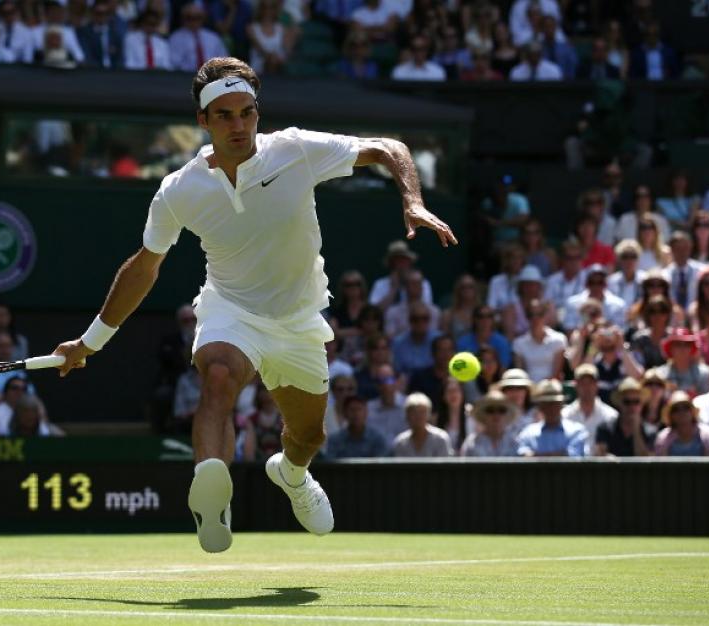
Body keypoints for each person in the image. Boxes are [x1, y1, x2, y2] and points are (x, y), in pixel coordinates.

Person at [50, 56, 455, 553]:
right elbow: (143, 268)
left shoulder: (296, 150)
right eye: (224, 115)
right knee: (217, 375)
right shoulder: (179, 190)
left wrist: (411, 200)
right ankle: (211, 498)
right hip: (231, 309)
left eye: (247, 112)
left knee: (307, 436)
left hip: (300, 319)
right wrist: (90, 342)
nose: (238, 124)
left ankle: (292, 474)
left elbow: (389, 147)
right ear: (203, 121)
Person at [517, 379, 589, 457]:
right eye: (546, 404)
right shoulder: (528, 433)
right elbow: (523, 455)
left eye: (554, 403)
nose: (550, 408)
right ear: (540, 407)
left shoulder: (576, 431)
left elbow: (573, 457)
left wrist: (536, 457)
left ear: (561, 404)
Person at [562, 363, 619, 447]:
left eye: (590, 383)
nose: (587, 387)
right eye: (582, 383)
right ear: (576, 386)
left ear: (597, 385)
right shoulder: (564, 415)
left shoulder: (611, 416)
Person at [594, 377, 654, 457]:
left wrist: (636, 430)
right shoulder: (605, 428)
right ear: (619, 403)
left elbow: (646, 462)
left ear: (642, 404)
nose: (632, 406)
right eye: (627, 402)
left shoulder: (650, 432)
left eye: (636, 402)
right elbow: (600, 456)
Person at [512, 298, 566, 384]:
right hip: (528, 389)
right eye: (531, 315)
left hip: (551, 389)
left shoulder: (558, 340)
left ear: (545, 315)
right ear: (527, 317)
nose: (535, 318)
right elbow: (521, 373)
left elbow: (556, 374)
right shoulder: (519, 343)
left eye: (539, 314)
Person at [369, 240, 431, 311]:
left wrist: (410, 285)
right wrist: (394, 289)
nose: (401, 265)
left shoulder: (423, 283)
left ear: (409, 262)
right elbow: (373, 313)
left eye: (404, 260)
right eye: (397, 261)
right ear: (391, 264)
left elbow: (425, 311)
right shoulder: (380, 284)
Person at [562, 265, 626, 333]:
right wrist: (585, 328)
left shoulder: (618, 304)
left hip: (608, 340)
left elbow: (621, 331)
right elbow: (569, 330)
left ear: (606, 284)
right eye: (592, 282)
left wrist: (603, 326)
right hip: (581, 341)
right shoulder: (573, 303)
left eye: (600, 282)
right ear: (586, 284)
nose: (596, 286)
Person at [653, 391, 709, 456]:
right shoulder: (663, 438)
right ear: (670, 415)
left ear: (692, 412)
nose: (681, 413)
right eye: (676, 409)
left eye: (686, 408)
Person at [168, 3, 227, 72]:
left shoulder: (213, 38)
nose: (193, 21)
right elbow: (174, 65)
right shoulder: (175, 38)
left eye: (197, 18)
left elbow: (225, 61)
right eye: (189, 17)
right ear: (183, 18)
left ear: (203, 18)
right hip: (185, 77)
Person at [392, 392, 452, 457]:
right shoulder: (400, 443)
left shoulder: (441, 439)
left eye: (422, 412)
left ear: (429, 414)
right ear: (407, 415)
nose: (418, 416)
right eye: (414, 412)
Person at [461, 390, 519, 457]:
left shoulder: (515, 443)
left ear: (507, 415)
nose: (496, 415)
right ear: (483, 415)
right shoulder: (471, 443)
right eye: (490, 410)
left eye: (502, 410)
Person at [391, 301, 439, 377]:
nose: (420, 323)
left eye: (424, 318)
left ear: (429, 320)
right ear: (409, 320)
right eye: (415, 319)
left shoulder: (439, 340)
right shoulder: (398, 343)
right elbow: (397, 370)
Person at [657, 329, 709, 397]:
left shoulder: (703, 374)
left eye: (687, 345)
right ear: (670, 348)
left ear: (691, 348)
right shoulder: (660, 375)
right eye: (678, 344)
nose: (682, 348)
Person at [407, 334, 455, 409]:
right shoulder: (419, 378)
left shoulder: (460, 379)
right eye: (441, 350)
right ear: (433, 353)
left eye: (449, 350)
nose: (446, 354)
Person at [365, 363, 407, 443]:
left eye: (389, 380)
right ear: (376, 385)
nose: (385, 385)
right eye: (380, 381)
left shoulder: (408, 405)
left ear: (397, 381)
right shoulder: (368, 408)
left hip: (404, 453)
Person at [664, 231, 703, 312]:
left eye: (685, 248)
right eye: (678, 248)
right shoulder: (665, 274)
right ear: (671, 250)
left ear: (690, 248)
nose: (682, 252)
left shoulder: (701, 271)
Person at [607, 239, 645, 310]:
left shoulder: (645, 280)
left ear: (638, 259)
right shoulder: (611, 281)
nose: (629, 261)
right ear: (619, 259)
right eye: (625, 257)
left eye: (633, 256)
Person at [440, 274, 479, 340]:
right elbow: (445, 341)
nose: (467, 290)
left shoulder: (483, 314)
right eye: (463, 287)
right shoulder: (448, 315)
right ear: (458, 290)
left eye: (470, 287)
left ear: (475, 290)